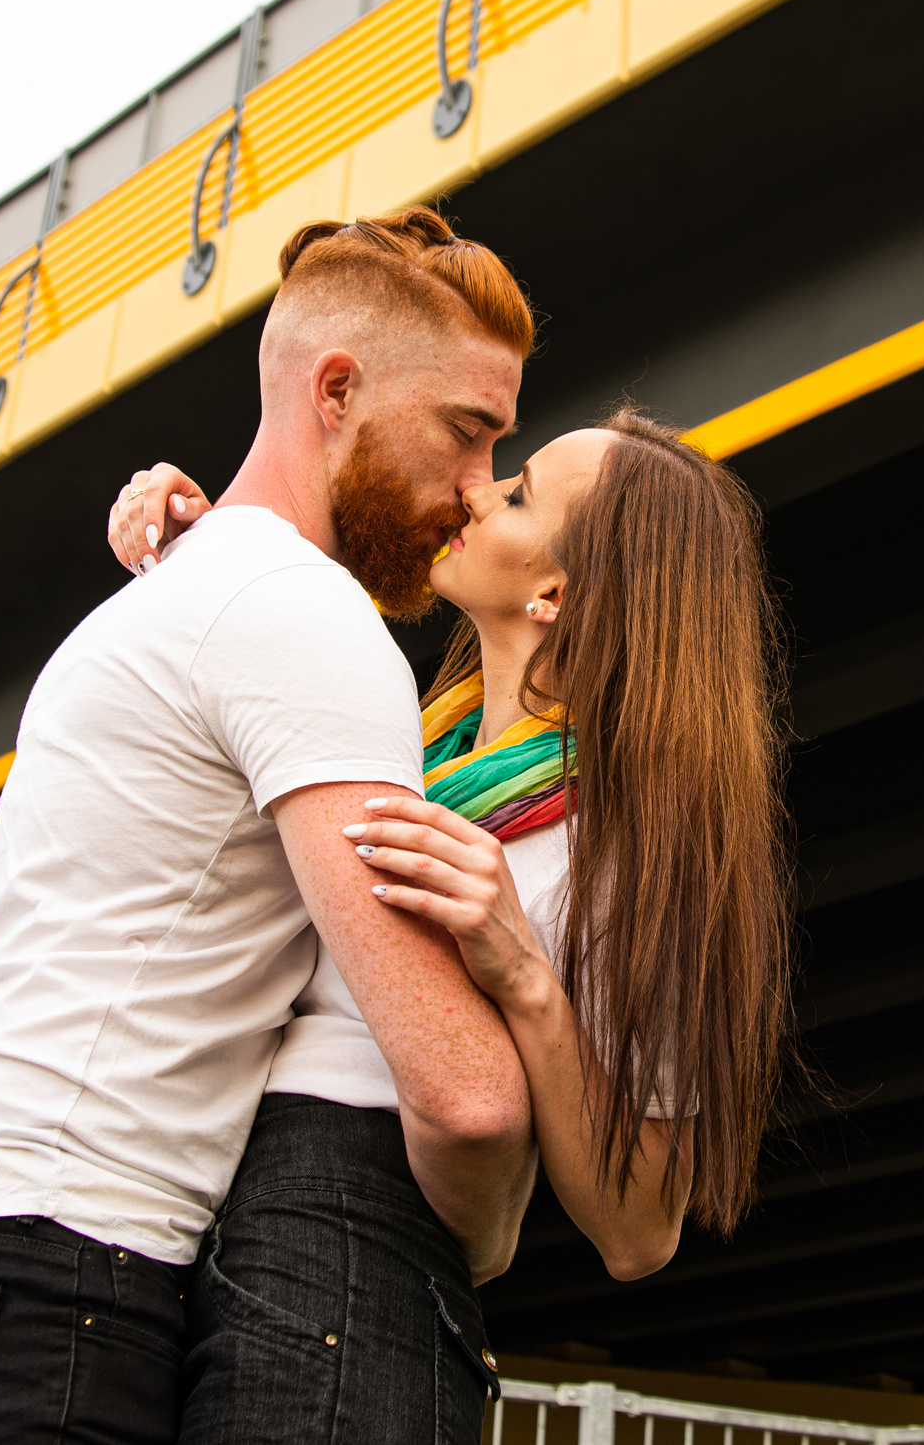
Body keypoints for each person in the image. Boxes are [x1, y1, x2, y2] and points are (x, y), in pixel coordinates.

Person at [0, 209, 543, 1445]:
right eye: (467, 430)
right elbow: (462, 1093)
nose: (475, 485)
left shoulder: (188, 586)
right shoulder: (302, 613)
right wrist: (499, 1212)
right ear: (337, 389)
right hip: (38, 1261)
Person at [106, 407, 795, 1445]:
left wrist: (522, 971)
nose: (477, 490)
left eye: (516, 494)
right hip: (206, 1215)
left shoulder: (624, 845)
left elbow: (641, 1227)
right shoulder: (399, 746)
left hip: (355, 1269)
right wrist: (211, 545)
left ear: (552, 593)